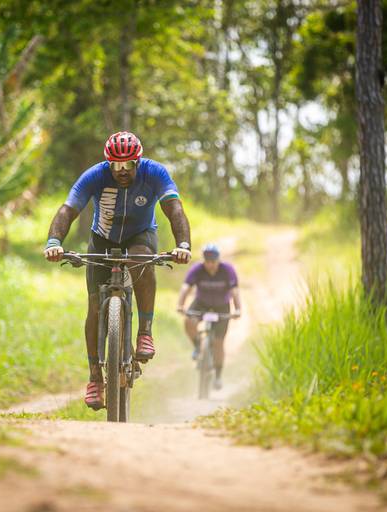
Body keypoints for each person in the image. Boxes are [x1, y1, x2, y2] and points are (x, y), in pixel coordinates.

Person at [43, 131, 192, 410]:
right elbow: (67, 210)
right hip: (102, 238)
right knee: (94, 307)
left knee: (141, 260)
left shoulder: (155, 173)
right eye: (116, 165)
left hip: (140, 235)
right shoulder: (94, 176)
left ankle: (144, 332)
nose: (122, 171)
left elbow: (175, 209)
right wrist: (54, 242)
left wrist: (183, 244)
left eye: (128, 165)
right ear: (108, 163)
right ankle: (95, 378)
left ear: (138, 161)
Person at [176, 243, 241, 390]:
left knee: (218, 343)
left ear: (218, 260)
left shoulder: (227, 270)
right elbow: (186, 287)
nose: (210, 265)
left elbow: (235, 291)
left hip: (222, 306)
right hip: (201, 303)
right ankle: (198, 346)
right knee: (189, 321)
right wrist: (180, 304)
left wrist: (237, 309)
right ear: (203, 260)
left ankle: (218, 376)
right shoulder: (197, 269)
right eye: (207, 261)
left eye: (213, 261)